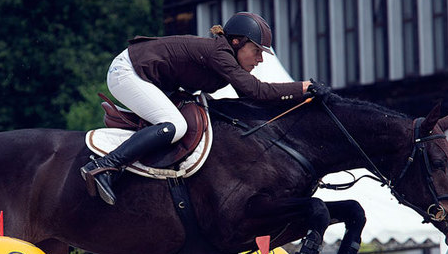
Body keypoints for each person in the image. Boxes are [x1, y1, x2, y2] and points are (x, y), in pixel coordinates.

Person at [80, 11, 314, 206]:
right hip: (128, 72)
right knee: (175, 126)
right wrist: (304, 87)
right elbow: (256, 90)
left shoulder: (226, 58)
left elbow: (251, 99)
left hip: (146, 76)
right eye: (257, 51)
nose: (260, 59)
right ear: (237, 42)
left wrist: (301, 103)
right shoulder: (220, 54)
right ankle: (104, 166)